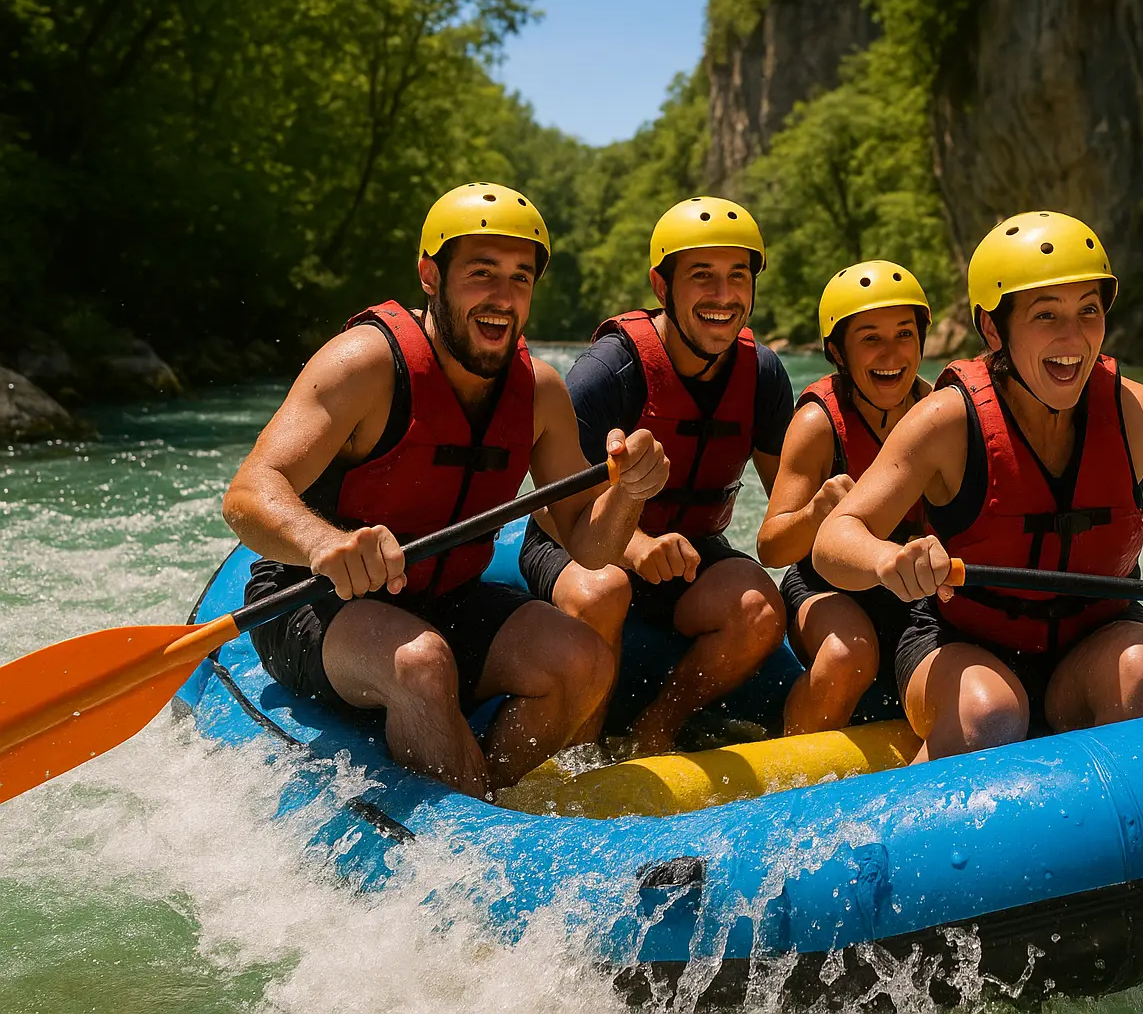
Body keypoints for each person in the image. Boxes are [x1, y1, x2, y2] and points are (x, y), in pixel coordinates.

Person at [223, 183, 669, 798]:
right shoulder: (365, 364)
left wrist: (629, 492)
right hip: (313, 600)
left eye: (519, 279)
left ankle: (495, 805)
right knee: (421, 662)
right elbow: (248, 493)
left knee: (582, 659)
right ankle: (470, 827)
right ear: (431, 275)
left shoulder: (539, 392)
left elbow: (589, 549)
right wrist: (325, 543)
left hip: (446, 596)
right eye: (481, 273)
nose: (502, 298)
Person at [814, 211, 1143, 761]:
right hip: (961, 644)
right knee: (987, 713)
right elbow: (836, 539)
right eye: (1046, 315)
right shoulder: (946, 422)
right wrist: (889, 560)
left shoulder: (1137, 413)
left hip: (1092, 643)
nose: (1073, 338)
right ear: (994, 328)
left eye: (1088, 311)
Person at [519, 196, 793, 755]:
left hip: (690, 552)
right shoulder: (607, 371)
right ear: (662, 286)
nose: (723, 296)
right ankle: (578, 759)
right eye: (702, 277)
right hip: (574, 547)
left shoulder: (762, 374)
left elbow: (789, 505)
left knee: (762, 610)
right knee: (604, 589)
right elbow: (548, 506)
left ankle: (656, 729)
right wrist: (636, 545)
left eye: (737, 276)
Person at [758, 260, 933, 734]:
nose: (891, 354)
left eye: (904, 335)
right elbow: (772, 548)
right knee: (849, 654)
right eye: (870, 338)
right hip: (821, 585)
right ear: (838, 351)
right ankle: (788, 776)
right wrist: (817, 510)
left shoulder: (940, 414)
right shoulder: (818, 424)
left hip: (910, 587)